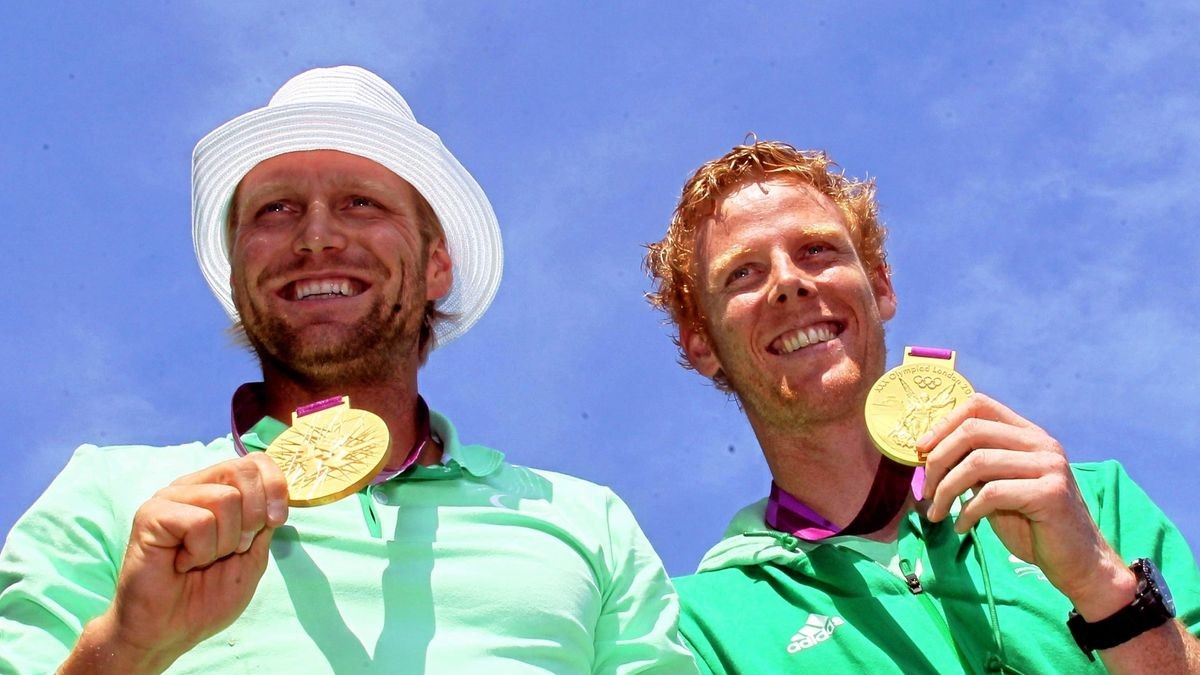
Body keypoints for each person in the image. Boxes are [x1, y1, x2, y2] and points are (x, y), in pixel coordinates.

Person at [0, 66, 695, 674]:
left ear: (437, 265)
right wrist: (128, 649)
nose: (317, 235)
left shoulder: (588, 521)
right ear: (240, 270)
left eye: (361, 202)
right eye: (276, 209)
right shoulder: (105, 498)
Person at [644, 140, 1200, 673]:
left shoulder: (1088, 500)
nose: (789, 283)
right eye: (743, 273)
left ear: (881, 286)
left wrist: (1101, 582)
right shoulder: (696, 633)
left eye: (816, 250)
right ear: (703, 344)